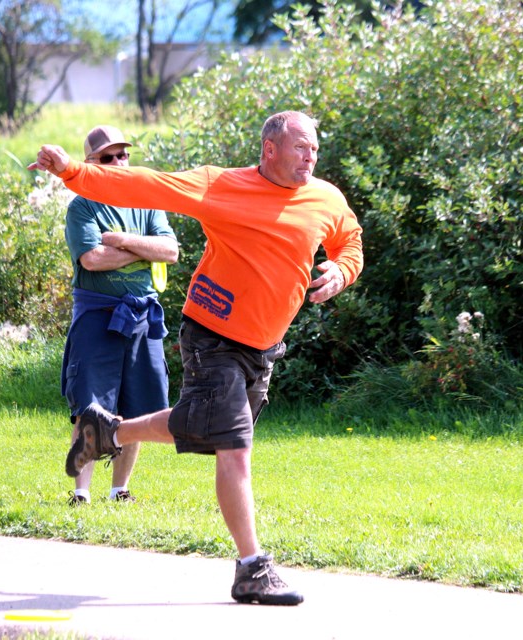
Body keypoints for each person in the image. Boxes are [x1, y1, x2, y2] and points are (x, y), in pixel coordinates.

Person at [29, 111, 363, 606]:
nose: (310, 156)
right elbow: (145, 185)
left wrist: (340, 270)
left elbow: (349, 239)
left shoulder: (325, 196)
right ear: (270, 148)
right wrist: (73, 173)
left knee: (202, 425)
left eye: (314, 148)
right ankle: (252, 568)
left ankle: (108, 432)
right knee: (234, 446)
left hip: (263, 345)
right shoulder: (221, 186)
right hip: (213, 335)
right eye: (300, 147)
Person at [61, 125, 179, 507]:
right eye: (108, 157)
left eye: (123, 154)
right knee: (89, 407)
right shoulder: (82, 205)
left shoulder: (146, 201)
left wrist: (124, 241)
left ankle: (119, 490)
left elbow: (172, 251)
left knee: (139, 408)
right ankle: (81, 494)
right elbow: (93, 260)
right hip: (98, 316)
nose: (119, 162)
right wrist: (146, 250)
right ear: (90, 164)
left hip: (143, 316)